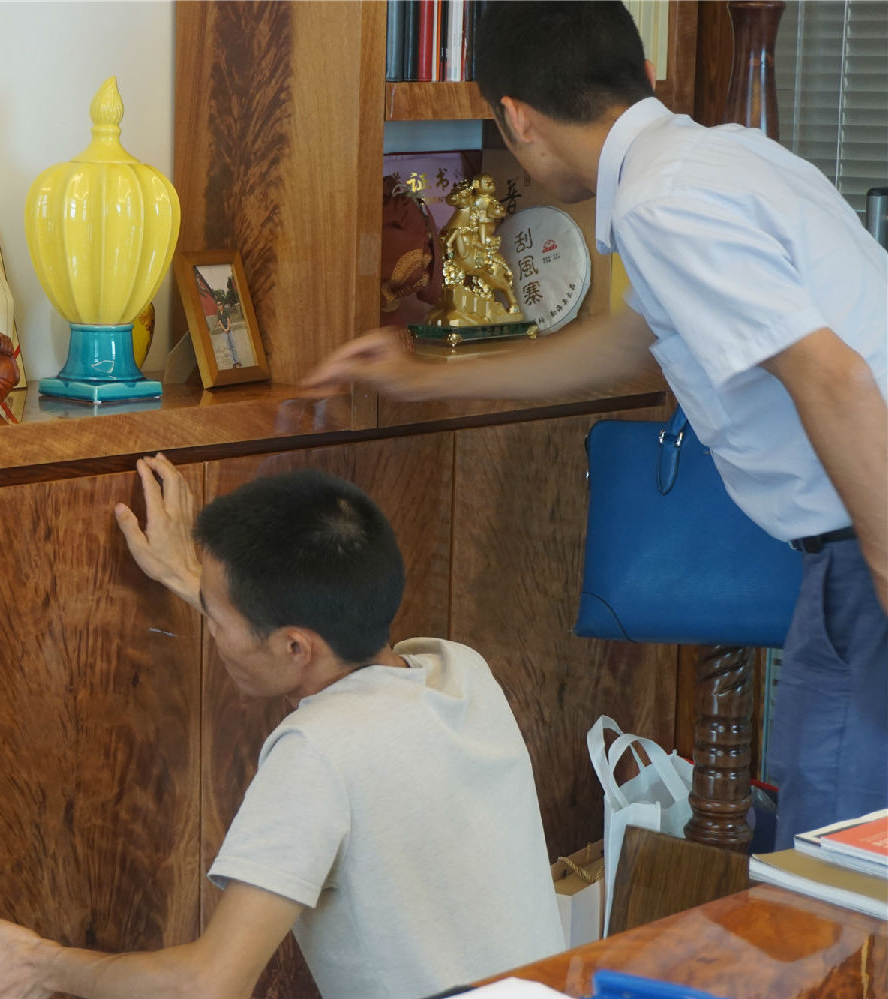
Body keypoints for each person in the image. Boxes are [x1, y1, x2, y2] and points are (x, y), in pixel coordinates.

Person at [302, 1, 888, 847]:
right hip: (850, 547)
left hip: (864, 549)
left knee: (837, 875)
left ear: (517, 119)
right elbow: (630, 344)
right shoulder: (719, 158)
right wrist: (424, 377)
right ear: (643, 75)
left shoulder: (659, 204)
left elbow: (836, 376)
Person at [0, 454, 563, 998]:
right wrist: (198, 580)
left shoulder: (318, 753)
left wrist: (41, 964)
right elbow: (326, 662)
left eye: (218, 618)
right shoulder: (461, 672)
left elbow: (207, 986)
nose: (212, 631)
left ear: (294, 645)